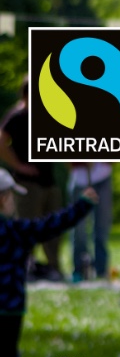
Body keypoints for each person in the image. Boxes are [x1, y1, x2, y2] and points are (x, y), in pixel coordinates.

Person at [0, 168, 95, 357]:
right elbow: (50, 225)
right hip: (9, 308)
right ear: (2, 199)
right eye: (11, 196)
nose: (13, 202)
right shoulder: (14, 231)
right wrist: (82, 206)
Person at [0, 77, 67, 282]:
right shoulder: (17, 116)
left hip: (49, 181)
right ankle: (26, 269)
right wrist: (19, 166)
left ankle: (54, 268)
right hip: (26, 184)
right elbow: (1, 142)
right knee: (27, 228)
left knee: (53, 228)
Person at [68, 161, 113, 282]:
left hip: (103, 176)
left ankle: (101, 268)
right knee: (79, 229)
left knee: (102, 227)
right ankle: (79, 268)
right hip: (80, 180)